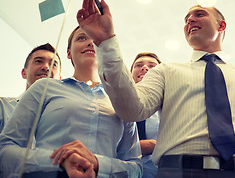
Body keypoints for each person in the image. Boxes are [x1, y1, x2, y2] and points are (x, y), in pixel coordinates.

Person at [75, 0, 235, 178]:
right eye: (186, 18)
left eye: (199, 14)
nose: (190, 20)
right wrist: (106, 42)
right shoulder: (165, 71)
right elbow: (133, 110)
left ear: (221, 25)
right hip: (177, 171)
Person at [0, 26, 142, 178]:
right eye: (82, 38)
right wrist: (60, 162)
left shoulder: (121, 100)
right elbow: (5, 150)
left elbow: (136, 168)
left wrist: (97, 163)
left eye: (96, 40)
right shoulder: (44, 87)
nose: (90, 43)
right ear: (68, 53)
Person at [0, 43, 61, 133]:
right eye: (39, 61)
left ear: (60, 79)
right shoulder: (2, 107)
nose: (46, 67)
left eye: (53, 64)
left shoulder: (63, 121)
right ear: (24, 73)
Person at [130, 52, 161, 178]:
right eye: (138, 65)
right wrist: (141, 146)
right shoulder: (114, 104)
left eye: (152, 66)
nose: (144, 68)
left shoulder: (169, 107)